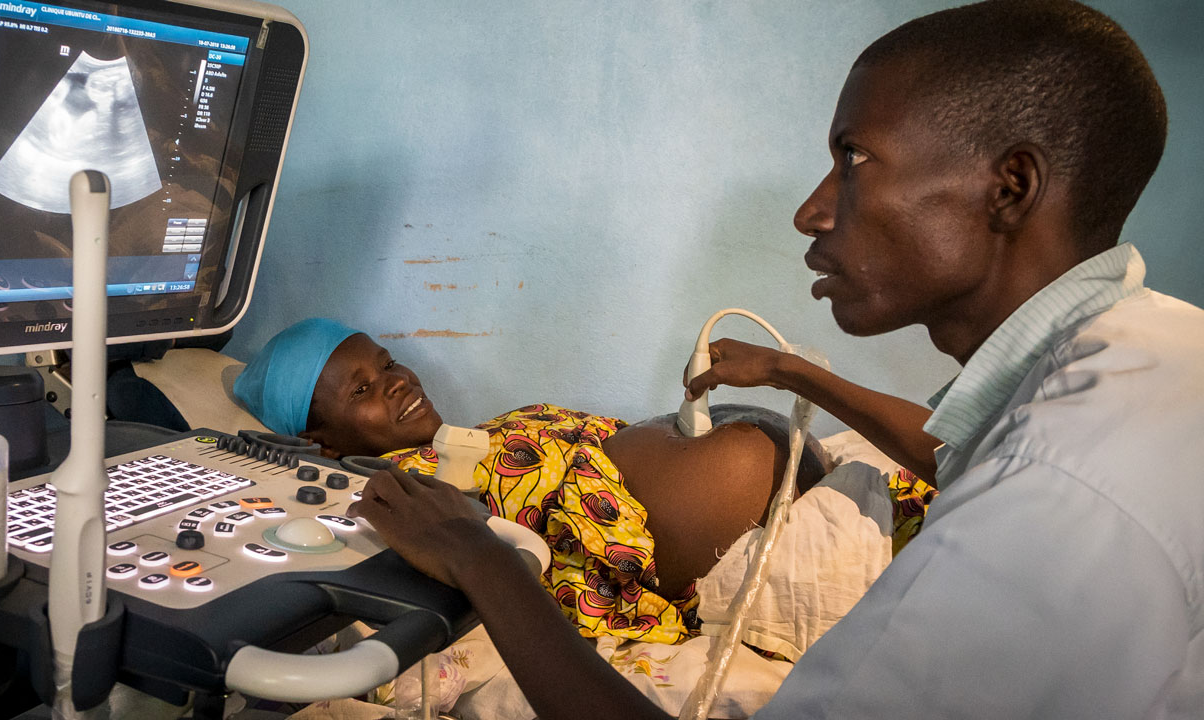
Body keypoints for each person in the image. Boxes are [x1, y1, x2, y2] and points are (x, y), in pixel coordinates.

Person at [348, 1, 1204, 718]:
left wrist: (481, 560)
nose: (812, 211)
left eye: (853, 159)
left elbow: (1021, 476)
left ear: (1008, 188)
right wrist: (795, 375)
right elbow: (965, 448)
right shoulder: (1155, 348)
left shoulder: (1053, 507)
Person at [234, 317, 882, 648]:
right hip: (690, 531)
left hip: (777, 478)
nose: (397, 381)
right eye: (363, 390)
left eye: (388, 363)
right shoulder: (398, 492)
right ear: (319, 441)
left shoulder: (481, 432)